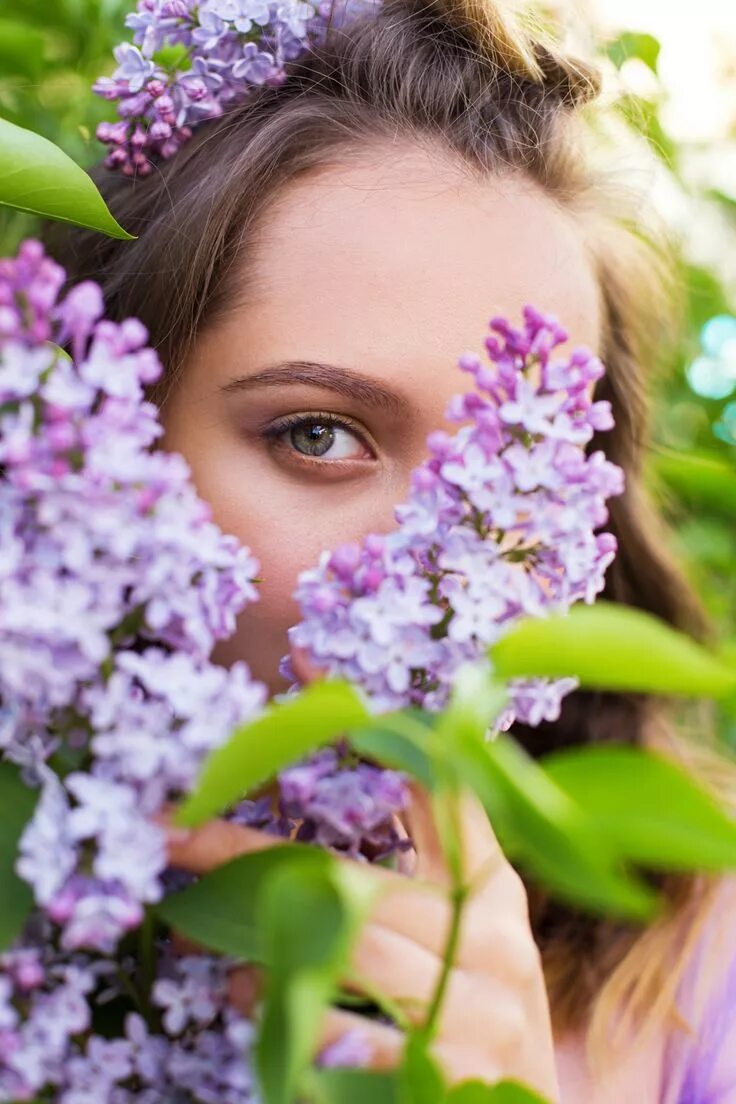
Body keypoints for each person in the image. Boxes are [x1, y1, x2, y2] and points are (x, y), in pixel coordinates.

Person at [48, 0, 736, 1098]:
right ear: (98, 448)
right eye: (317, 435)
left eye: (510, 492)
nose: (430, 571)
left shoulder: (699, 965)